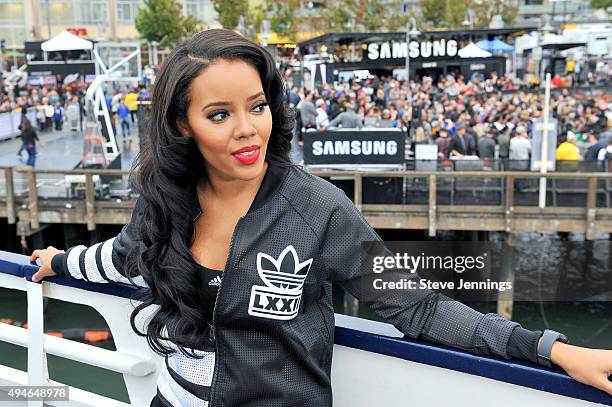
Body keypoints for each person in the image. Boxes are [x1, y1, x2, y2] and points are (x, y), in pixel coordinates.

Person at [29, 29, 612, 407]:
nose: (247, 128)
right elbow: (125, 254)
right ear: (182, 125)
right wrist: (58, 259)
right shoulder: (168, 200)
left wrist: (552, 350)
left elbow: (419, 306)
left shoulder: (316, 208)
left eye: (257, 106)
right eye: (219, 113)